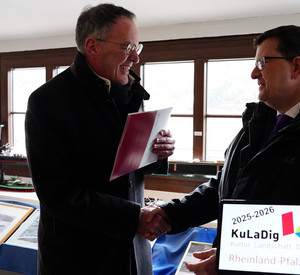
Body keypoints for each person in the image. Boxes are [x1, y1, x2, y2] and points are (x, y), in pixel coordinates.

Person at [25, 3, 174, 275]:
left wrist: (156, 153)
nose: (135, 59)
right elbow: (57, 195)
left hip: (134, 250)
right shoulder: (48, 102)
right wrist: (133, 218)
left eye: (137, 48)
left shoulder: (131, 91)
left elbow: (125, 167)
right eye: (128, 48)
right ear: (92, 47)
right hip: (80, 257)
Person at [142, 25, 300, 275]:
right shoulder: (256, 122)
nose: (252, 74)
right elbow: (225, 187)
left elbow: (293, 227)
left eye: (262, 63)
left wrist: (238, 259)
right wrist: (168, 214)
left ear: (296, 66)